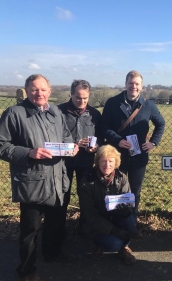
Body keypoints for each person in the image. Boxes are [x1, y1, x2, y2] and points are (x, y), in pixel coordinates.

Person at [0, 74, 79, 281]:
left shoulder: (55, 112)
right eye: (34, 89)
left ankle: (52, 253)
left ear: (50, 91)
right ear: (26, 91)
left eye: (43, 89)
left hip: (56, 178)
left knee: (56, 222)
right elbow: (2, 145)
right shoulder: (14, 114)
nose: (39, 93)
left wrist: (71, 147)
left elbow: (65, 136)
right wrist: (28, 153)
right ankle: (27, 270)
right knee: (30, 229)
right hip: (31, 181)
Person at [101, 70, 165, 236]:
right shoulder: (112, 103)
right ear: (126, 84)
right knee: (115, 189)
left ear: (141, 86)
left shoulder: (148, 105)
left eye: (137, 84)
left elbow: (161, 124)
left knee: (135, 191)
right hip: (117, 156)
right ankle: (113, 224)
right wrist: (117, 140)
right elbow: (104, 127)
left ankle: (132, 224)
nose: (133, 86)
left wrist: (153, 143)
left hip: (139, 156)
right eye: (131, 83)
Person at [78, 145, 136, 265]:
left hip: (115, 218)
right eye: (103, 161)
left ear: (116, 163)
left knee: (130, 220)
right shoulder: (87, 182)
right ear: (97, 162)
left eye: (111, 161)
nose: (107, 165)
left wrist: (125, 212)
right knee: (114, 244)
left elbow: (129, 202)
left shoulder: (122, 178)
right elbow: (90, 215)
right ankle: (96, 243)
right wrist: (113, 230)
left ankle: (124, 247)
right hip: (95, 224)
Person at [58, 79, 103, 233]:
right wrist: (74, 144)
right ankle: (59, 229)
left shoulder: (95, 114)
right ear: (71, 94)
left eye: (85, 98)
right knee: (63, 197)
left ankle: (85, 228)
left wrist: (95, 148)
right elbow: (52, 138)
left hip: (86, 162)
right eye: (78, 97)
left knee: (86, 197)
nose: (82, 101)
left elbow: (101, 138)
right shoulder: (58, 112)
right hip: (63, 163)